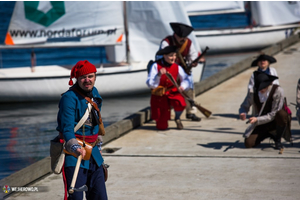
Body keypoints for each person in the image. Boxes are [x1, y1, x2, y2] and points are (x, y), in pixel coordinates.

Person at [56, 60, 107, 200]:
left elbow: (96, 122)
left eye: (90, 76)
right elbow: (67, 129)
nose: (87, 80)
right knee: (76, 197)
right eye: (83, 77)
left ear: (95, 77)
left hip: (94, 154)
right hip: (74, 155)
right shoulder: (68, 98)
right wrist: (75, 148)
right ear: (76, 79)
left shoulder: (95, 92)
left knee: (100, 196)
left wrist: (99, 145)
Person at [156, 22, 204, 122]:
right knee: (168, 91)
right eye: (181, 37)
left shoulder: (188, 43)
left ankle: (191, 112)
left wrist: (193, 62)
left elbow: (193, 55)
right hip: (168, 71)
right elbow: (160, 57)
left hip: (183, 70)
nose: (184, 39)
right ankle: (170, 112)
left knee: (189, 88)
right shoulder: (166, 42)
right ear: (175, 35)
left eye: (185, 37)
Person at [239, 71, 291, 150]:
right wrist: (243, 112)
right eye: (259, 87)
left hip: (275, 121)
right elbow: (245, 105)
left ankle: (277, 138)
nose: (261, 89)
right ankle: (267, 134)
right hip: (261, 123)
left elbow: (273, 114)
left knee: (281, 114)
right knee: (248, 143)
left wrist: (257, 119)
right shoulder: (254, 91)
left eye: (263, 87)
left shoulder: (277, 90)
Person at [147, 46, 190, 130]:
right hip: (160, 94)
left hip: (172, 91)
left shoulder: (177, 67)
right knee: (162, 127)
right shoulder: (156, 66)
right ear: (164, 56)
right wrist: (158, 75)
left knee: (180, 103)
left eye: (174, 55)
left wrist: (183, 86)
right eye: (171, 56)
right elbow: (150, 83)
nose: (173, 58)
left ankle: (177, 118)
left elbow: (186, 79)